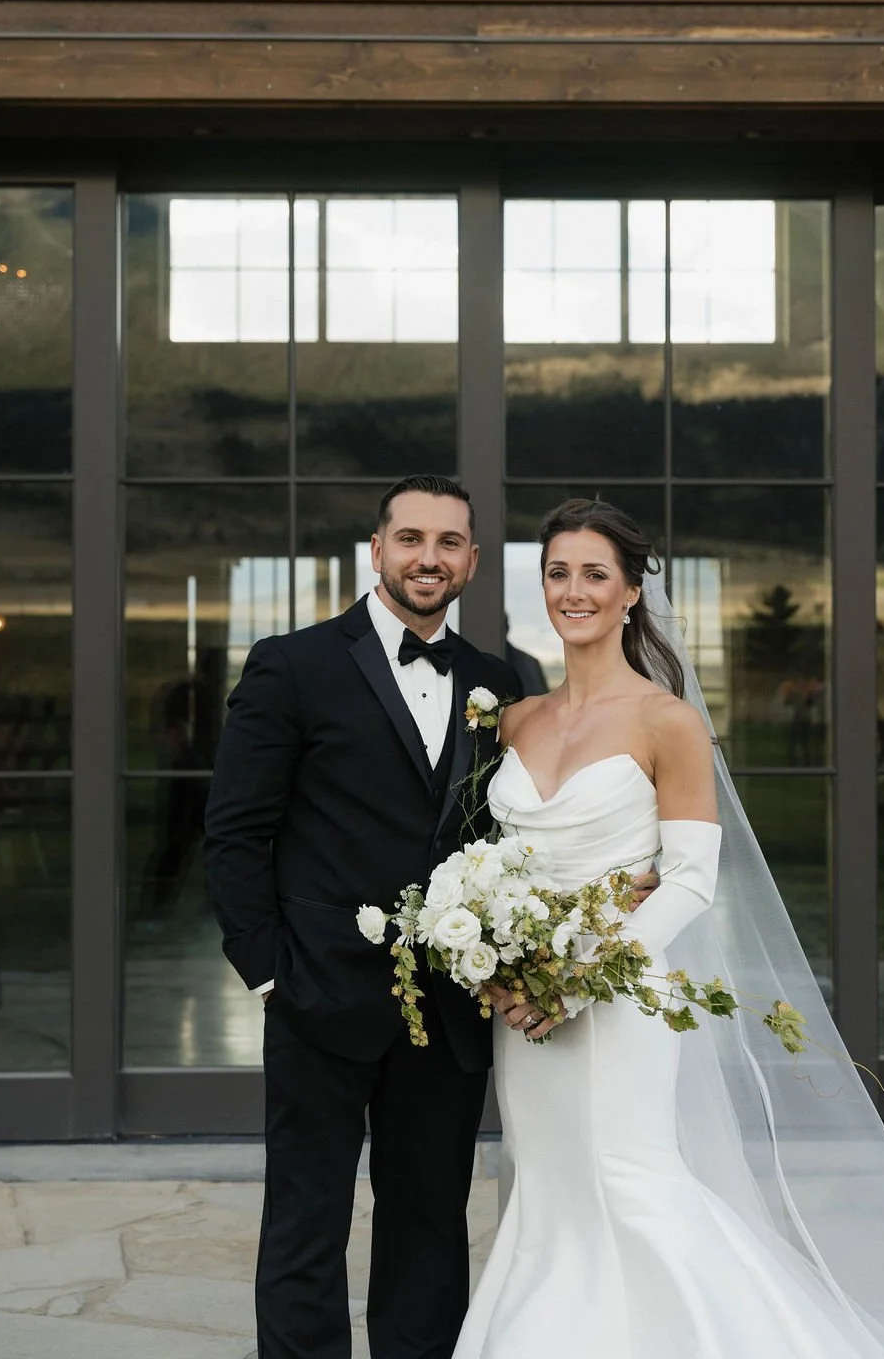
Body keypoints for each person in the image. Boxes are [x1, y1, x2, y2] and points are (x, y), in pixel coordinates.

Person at [457, 497, 884, 1359]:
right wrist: (497, 955)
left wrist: (582, 975)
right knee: (549, 1189)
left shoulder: (666, 720)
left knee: (631, 1184)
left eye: (595, 574)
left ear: (632, 592)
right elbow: (504, 866)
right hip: (523, 1015)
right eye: (558, 572)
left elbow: (687, 880)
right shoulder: (518, 719)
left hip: (620, 1002)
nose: (574, 591)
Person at [203, 476, 517, 1359]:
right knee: (306, 1224)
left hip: (448, 1013)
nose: (430, 558)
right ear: (376, 550)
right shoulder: (292, 664)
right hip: (318, 995)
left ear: (472, 562)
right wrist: (269, 974)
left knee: (429, 1230)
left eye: (449, 543)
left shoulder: (499, 682)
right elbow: (234, 832)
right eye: (411, 538)